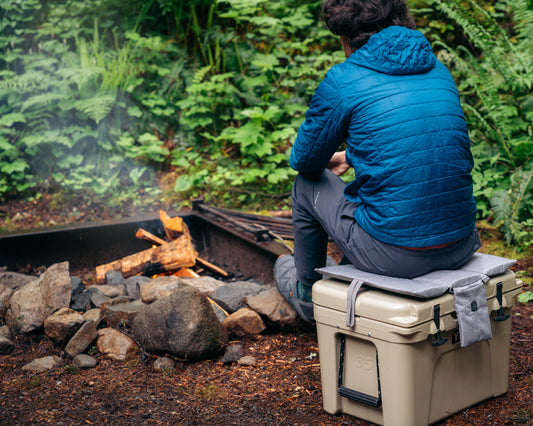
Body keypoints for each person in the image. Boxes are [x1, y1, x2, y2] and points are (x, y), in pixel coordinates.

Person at [274, 0, 481, 324]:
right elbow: (428, 148)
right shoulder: (438, 69)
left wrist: (326, 160)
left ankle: (309, 295)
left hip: (397, 256)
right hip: (462, 242)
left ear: (345, 36)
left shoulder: (345, 78)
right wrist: (355, 156)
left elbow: (303, 160)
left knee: (305, 185)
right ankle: (340, 274)